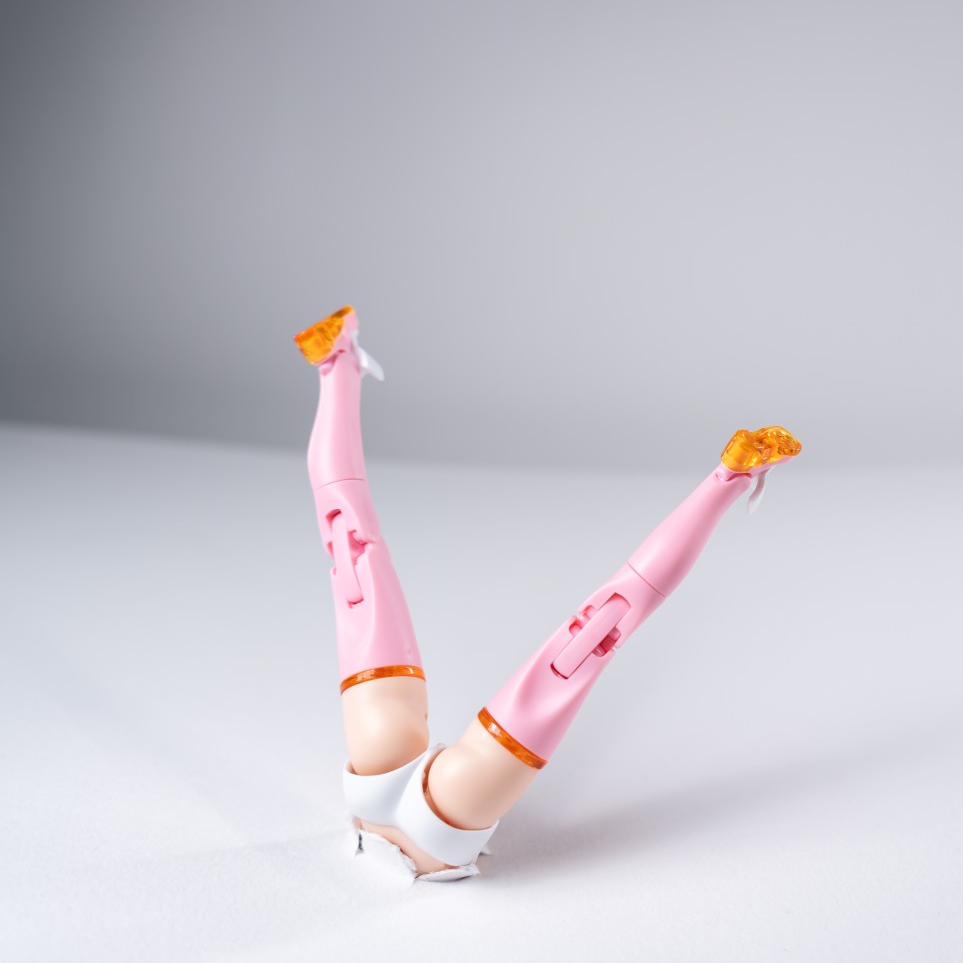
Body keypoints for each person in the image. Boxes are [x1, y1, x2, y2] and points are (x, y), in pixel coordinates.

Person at [295, 306, 801, 879]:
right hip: (435, 815)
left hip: (390, 786)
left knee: (350, 549)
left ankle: (335, 364)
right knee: (593, 632)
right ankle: (728, 475)